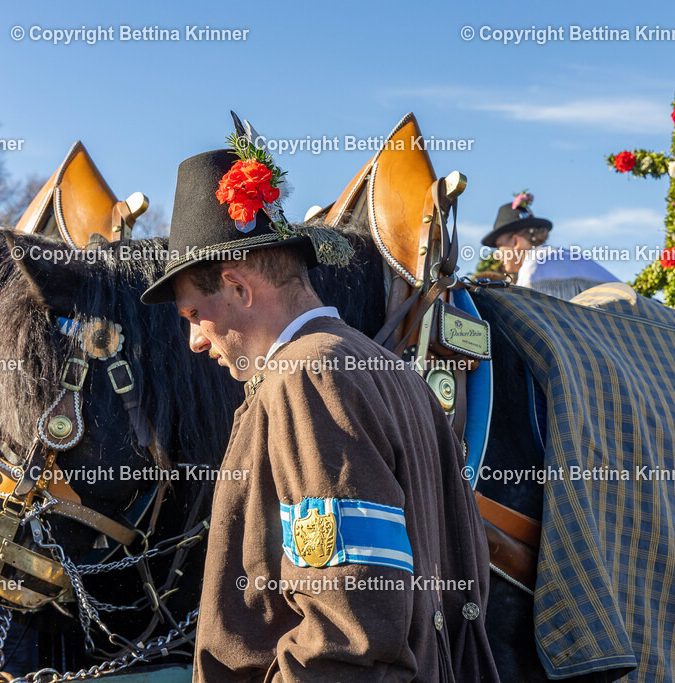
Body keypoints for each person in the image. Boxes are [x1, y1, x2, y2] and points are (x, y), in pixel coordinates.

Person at [141, 141, 498, 681]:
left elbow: (348, 636)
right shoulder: (393, 372)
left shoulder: (305, 379)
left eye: (194, 312)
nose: (194, 339)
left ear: (237, 285)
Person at [482, 191, 618, 299]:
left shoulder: (535, 267)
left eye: (500, 246)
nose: (498, 255)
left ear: (516, 242)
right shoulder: (556, 256)